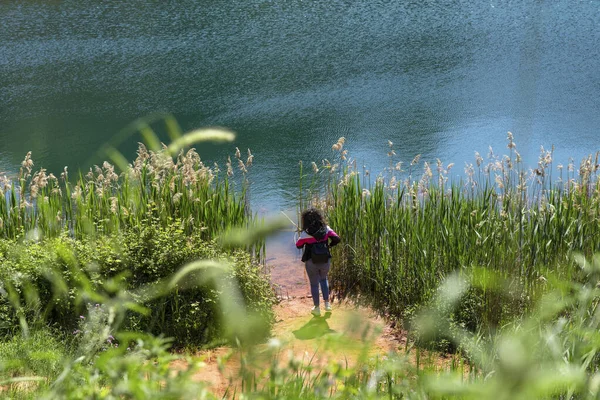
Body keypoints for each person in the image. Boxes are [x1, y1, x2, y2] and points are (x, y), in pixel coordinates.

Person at [295, 208, 341, 316]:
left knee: (314, 284)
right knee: (324, 279)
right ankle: (327, 304)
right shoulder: (326, 229)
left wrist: (304, 240)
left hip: (311, 262)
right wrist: (329, 245)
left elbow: (298, 245)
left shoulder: (306, 233)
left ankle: (317, 308)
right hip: (325, 260)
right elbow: (337, 239)